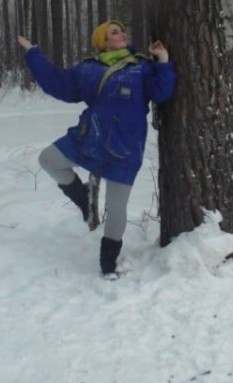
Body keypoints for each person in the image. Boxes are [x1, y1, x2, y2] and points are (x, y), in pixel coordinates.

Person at [18, 21, 176, 277]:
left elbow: (162, 93)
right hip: (90, 137)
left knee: (116, 207)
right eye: (115, 32)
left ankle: (108, 263)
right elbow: (56, 83)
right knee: (48, 159)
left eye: (123, 30)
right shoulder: (88, 69)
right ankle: (83, 196)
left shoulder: (142, 66)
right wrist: (33, 53)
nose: (122, 33)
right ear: (102, 41)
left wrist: (163, 60)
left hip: (125, 145)